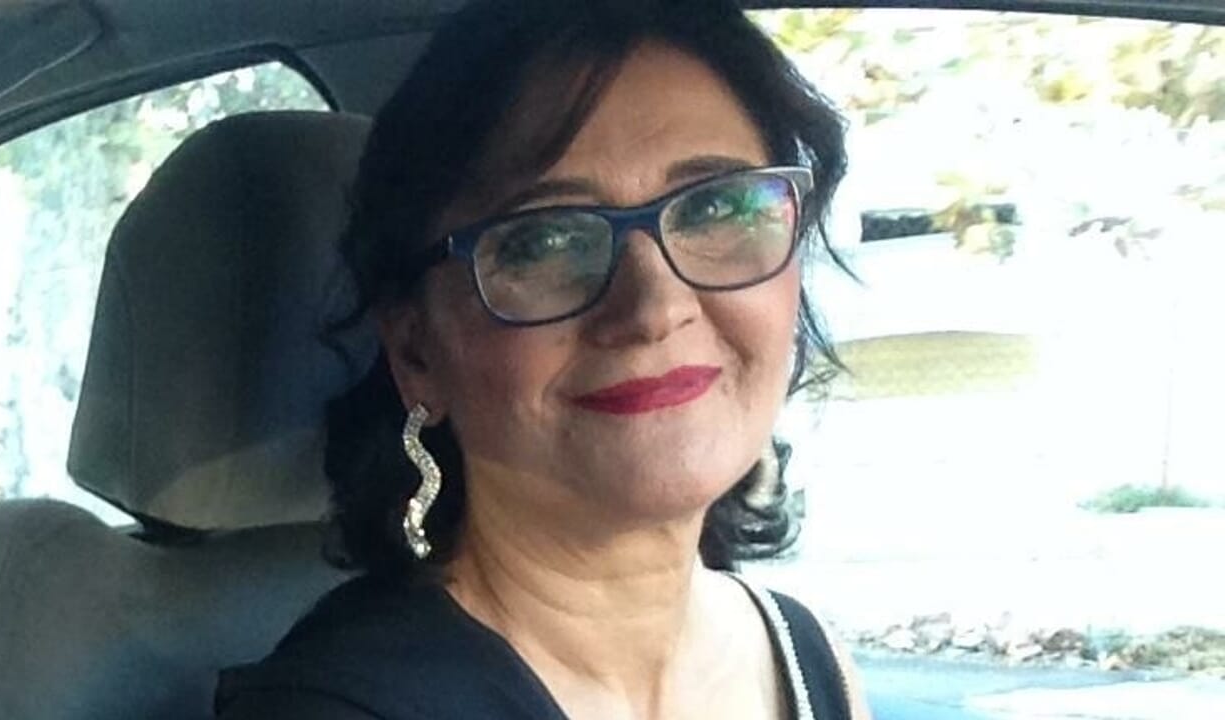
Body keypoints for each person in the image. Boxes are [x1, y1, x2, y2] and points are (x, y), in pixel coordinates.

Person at [215, 0, 871, 717]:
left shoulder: (802, 653)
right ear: (416, 351)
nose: (654, 307)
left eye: (719, 208)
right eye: (544, 241)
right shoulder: (337, 705)